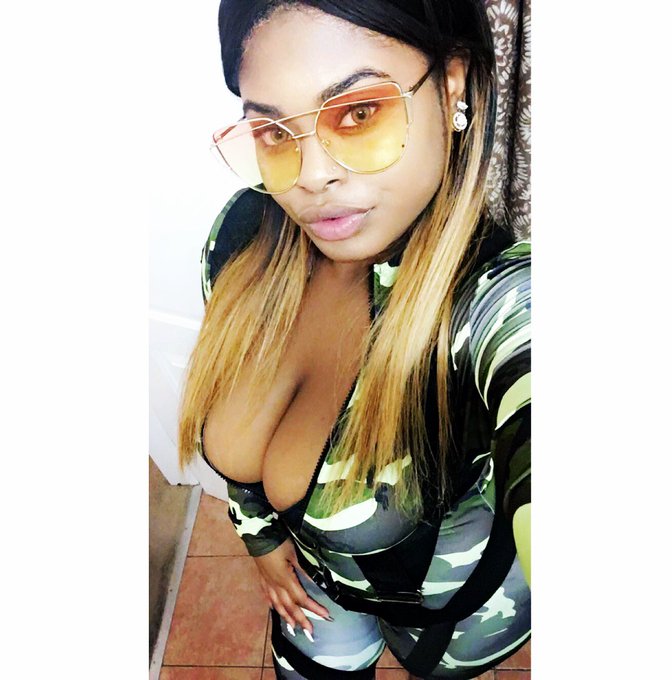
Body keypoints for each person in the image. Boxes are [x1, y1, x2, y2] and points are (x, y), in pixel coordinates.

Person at [178, 1, 531, 678]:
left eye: (360, 112)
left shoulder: (494, 299)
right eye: (273, 130)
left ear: (452, 84)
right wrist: (260, 539)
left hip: (454, 621)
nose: (310, 176)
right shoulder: (243, 239)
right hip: (314, 592)